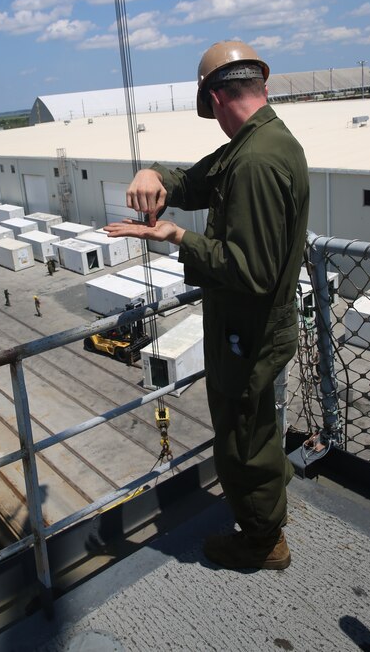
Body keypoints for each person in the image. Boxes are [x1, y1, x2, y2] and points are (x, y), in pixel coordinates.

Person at [105, 41, 309, 570]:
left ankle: (263, 541)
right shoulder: (261, 140)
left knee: (244, 439)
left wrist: (177, 236)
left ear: (216, 98)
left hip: (249, 330)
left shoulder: (256, 162)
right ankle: (272, 501)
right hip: (254, 328)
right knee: (257, 425)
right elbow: (197, 180)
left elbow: (254, 270)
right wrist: (155, 175)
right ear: (260, 88)